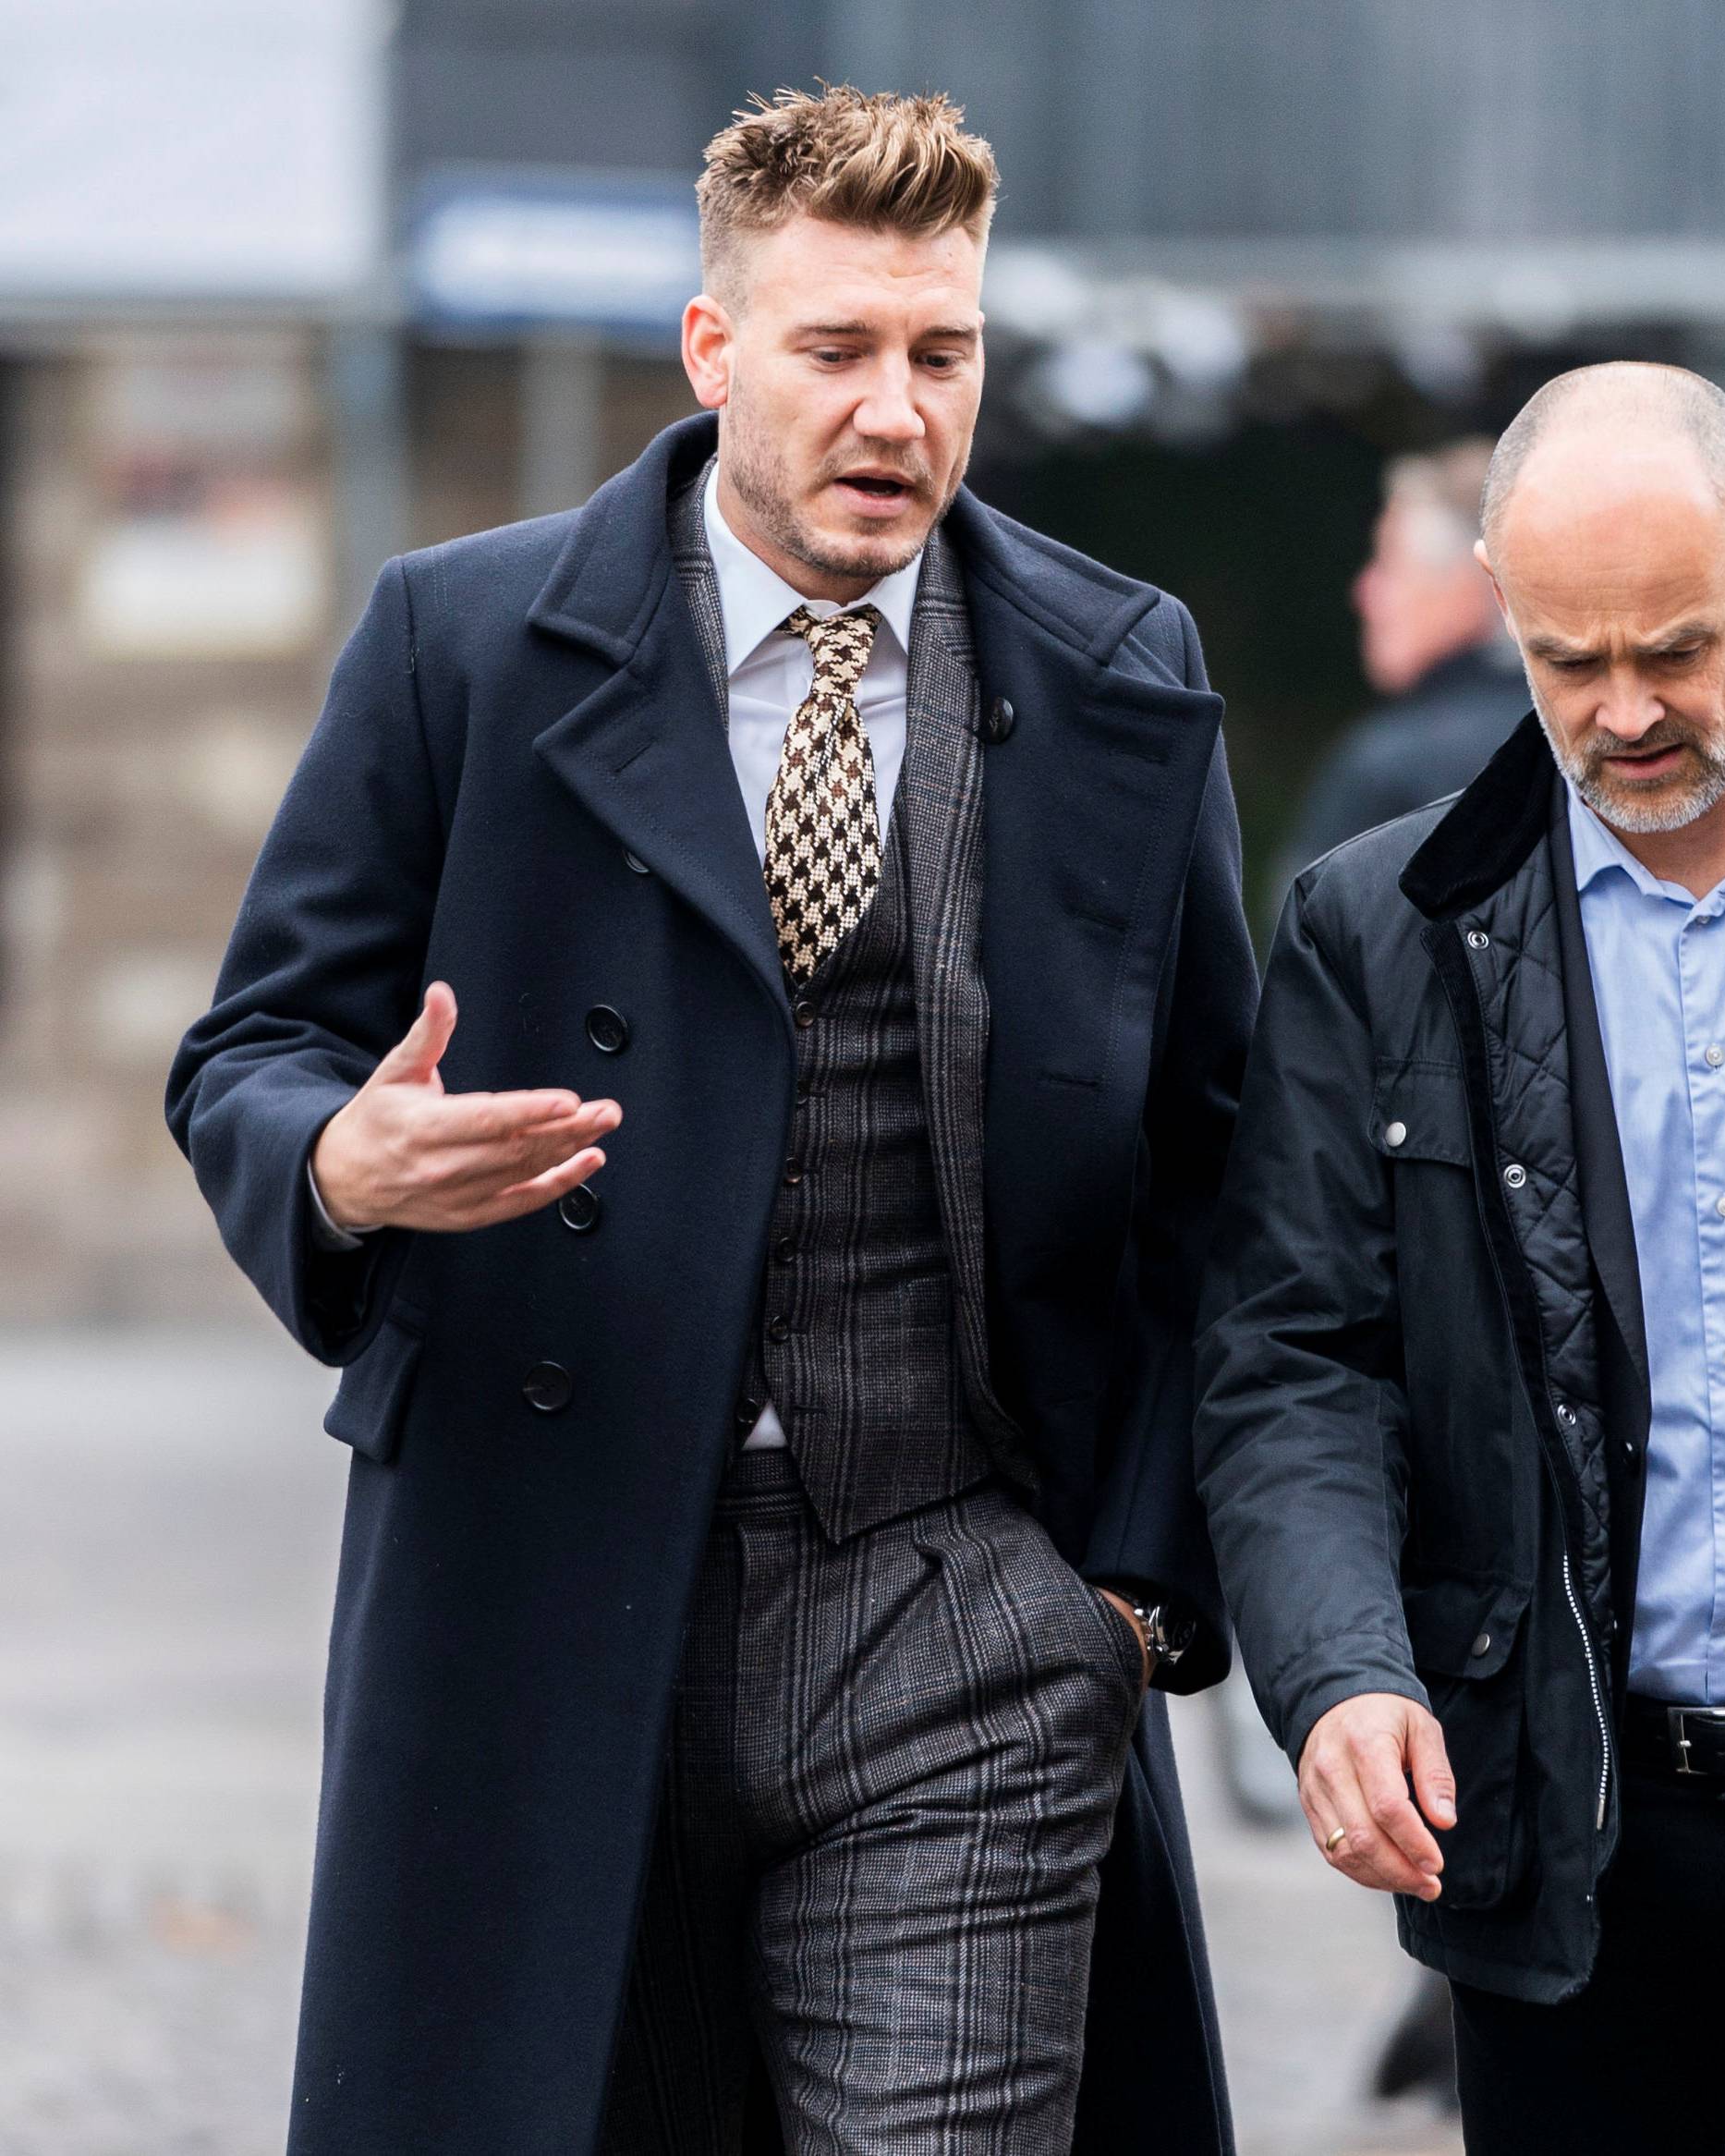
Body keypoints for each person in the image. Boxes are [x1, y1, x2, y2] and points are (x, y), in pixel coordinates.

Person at [167, 86, 1254, 2156]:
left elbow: (1221, 1167)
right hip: (542, 1601)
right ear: (713, 347)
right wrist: (333, 1160)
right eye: (837, 349)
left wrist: (1117, 1597)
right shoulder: (461, 643)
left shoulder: (1119, 672)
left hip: (963, 1606)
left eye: (942, 354)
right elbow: (250, 1047)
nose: (894, 412)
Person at [1195, 360, 1725, 2156]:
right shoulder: (1380, 930)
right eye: (1568, 660)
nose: (1625, 712)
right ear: (1501, 616)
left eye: (1673, 647)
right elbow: (1297, 1351)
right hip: (1570, 1806)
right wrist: (1343, 1665)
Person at [1268, 437, 1523, 920]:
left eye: (1389, 563)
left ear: (1474, 583)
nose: (1364, 593)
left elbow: (1302, 964)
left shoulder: (1386, 767)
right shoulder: (1587, 738)